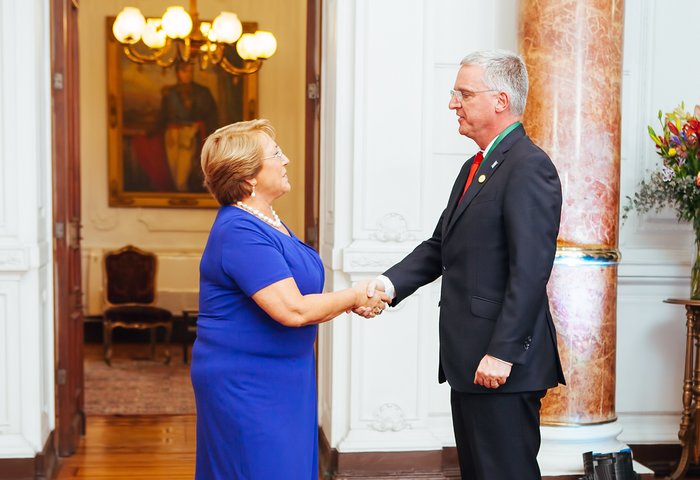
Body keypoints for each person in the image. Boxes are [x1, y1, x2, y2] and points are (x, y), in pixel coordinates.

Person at [359, 50, 565, 480]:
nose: (453, 103)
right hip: (469, 360)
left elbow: (530, 270)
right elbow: (439, 247)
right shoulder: (476, 166)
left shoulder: (529, 167)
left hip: (500, 365)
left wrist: (502, 353)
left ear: (500, 100)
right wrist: (386, 284)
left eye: (464, 93)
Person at [190, 119, 389, 479]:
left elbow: (301, 300)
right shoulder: (239, 229)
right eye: (276, 154)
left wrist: (346, 302)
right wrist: (355, 294)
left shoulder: (266, 220)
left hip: (286, 373)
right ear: (249, 176)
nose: (287, 160)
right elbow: (293, 310)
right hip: (246, 381)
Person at [157, 61, 218, 192]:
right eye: (184, 71)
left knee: (183, 171)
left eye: (190, 71)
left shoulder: (202, 92)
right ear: (178, 73)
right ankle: (177, 192)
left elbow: (211, 115)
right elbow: (163, 116)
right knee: (173, 167)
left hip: (189, 132)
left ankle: (182, 190)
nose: (187, 74)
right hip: (172, 134)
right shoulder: (169, 93)